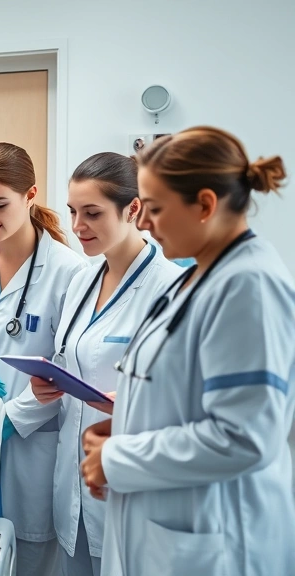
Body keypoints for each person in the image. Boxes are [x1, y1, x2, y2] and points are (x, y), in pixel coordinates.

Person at [80, 127, 295, 576]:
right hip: (166, 524)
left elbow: (243, 437)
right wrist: (124, 429)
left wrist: (118, 459)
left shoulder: (248, 286)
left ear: (205, 205)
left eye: (154, 209)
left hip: (216, 540)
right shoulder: (196, 278)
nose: (142, 223)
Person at [14, 153, 181, 576]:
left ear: (134, 209)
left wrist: (138, 401)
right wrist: (44, 385)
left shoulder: (171, 289)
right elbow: (69, 358)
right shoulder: (82, 279)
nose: (76, 226)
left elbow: (184, 395)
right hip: (73, 481)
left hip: (130, 485)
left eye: (92, 213)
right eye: (72, 211)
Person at [0, 142, 85, 576]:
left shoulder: (70, 271)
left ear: (30, 195)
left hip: (32, 442)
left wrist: (11, 417)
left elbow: (67, 369)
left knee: (28, 555)